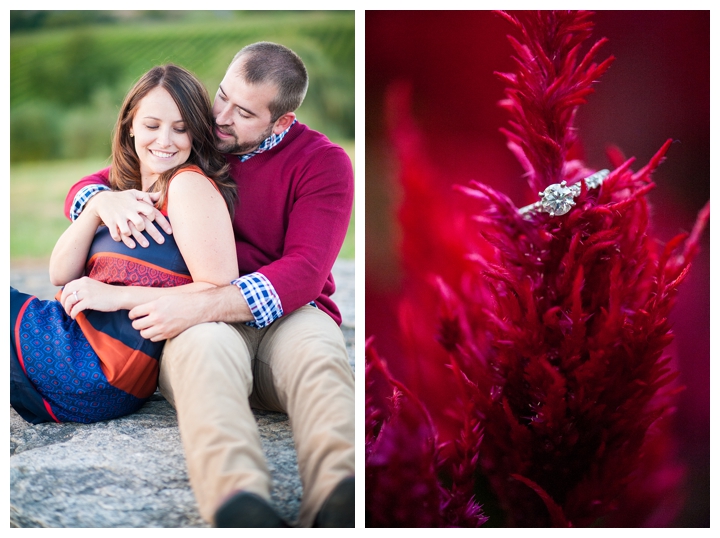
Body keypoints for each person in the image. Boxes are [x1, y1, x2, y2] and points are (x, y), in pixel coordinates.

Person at [64, 42, 355, 528]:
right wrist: (99, 198)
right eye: (222, 95)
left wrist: (204, 304)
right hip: (199, 326)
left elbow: (305, 269)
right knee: (203, 361)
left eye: (243, 112)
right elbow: (112, 169)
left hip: (286, 315)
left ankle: (342, 498)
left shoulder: (323, 163)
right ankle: (239, 506)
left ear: (280, 123)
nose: (220, 116)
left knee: (321, 362)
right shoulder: (199, 137)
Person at [11, 64, 238, 425]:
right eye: (152, 125)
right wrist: (96, 207)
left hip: (101, 365)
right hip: (76, 339)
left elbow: (219, 288)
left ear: (196, 135)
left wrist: (116, 296)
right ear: (130, 125)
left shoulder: (187, 185)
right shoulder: (125, 190)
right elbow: (60, 272)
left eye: (181, 129)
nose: (165, 140)